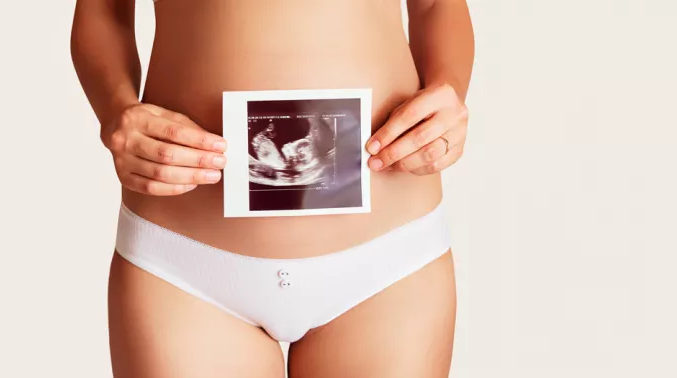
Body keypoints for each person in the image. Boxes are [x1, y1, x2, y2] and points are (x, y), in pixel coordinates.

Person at [70, 0, 474, 377]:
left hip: (388, 262)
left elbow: (438, 5)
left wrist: (448, 90)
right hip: (183, 265)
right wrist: (116, 110)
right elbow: (102, 11)